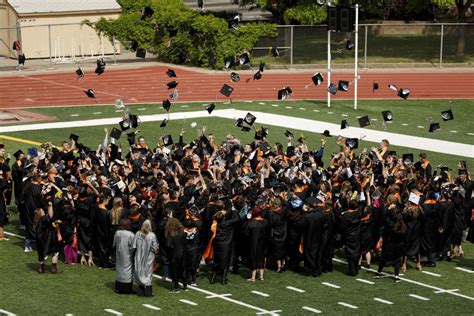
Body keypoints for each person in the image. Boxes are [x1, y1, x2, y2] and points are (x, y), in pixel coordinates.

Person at [375, 195, 407, 282]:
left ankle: (379, 272)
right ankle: (396, 276)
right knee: (397, 258)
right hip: (398, 239)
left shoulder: (387, 212)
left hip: (389, 238)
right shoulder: (399, 211)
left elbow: (384, 222)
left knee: (384, 256)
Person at [35, 202, 62, 273]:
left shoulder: (36, 222)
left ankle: (41, 268)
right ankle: (54, 268)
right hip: (49, 238)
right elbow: (50, 216)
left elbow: (49, 223)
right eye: (42, 211)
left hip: (39, 240)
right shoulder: (43, 219)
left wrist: (55, 222)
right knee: (55, 251)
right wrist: (50, 206)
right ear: (40, 213)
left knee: (41, 253)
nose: (44, 211)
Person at [134, 219, 158, 297]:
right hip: (149, 257)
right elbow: (155, 248)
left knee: (139, 272)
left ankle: (141, 292)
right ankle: (148, 293)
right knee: (148, 273)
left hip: (139, 256)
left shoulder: (138, 233)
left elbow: (134, 246)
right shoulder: (152, 235)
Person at [113, 219, 135, 294]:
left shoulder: (117, 233)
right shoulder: (131, 234)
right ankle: (127, 288)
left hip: (119, 254)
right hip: (128, 254)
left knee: (119, 268)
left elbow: (114, 243)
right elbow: (134, 246)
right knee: (127, 270)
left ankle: (119, 287)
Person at [165, 218, 187, 293]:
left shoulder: (171, 234)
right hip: (183, 253)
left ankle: (176, 287)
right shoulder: (182, 232)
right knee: (183, 269)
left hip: (174, 254)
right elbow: (184, 244)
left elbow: (168, 245)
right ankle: (185, 285)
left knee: (175, 271)